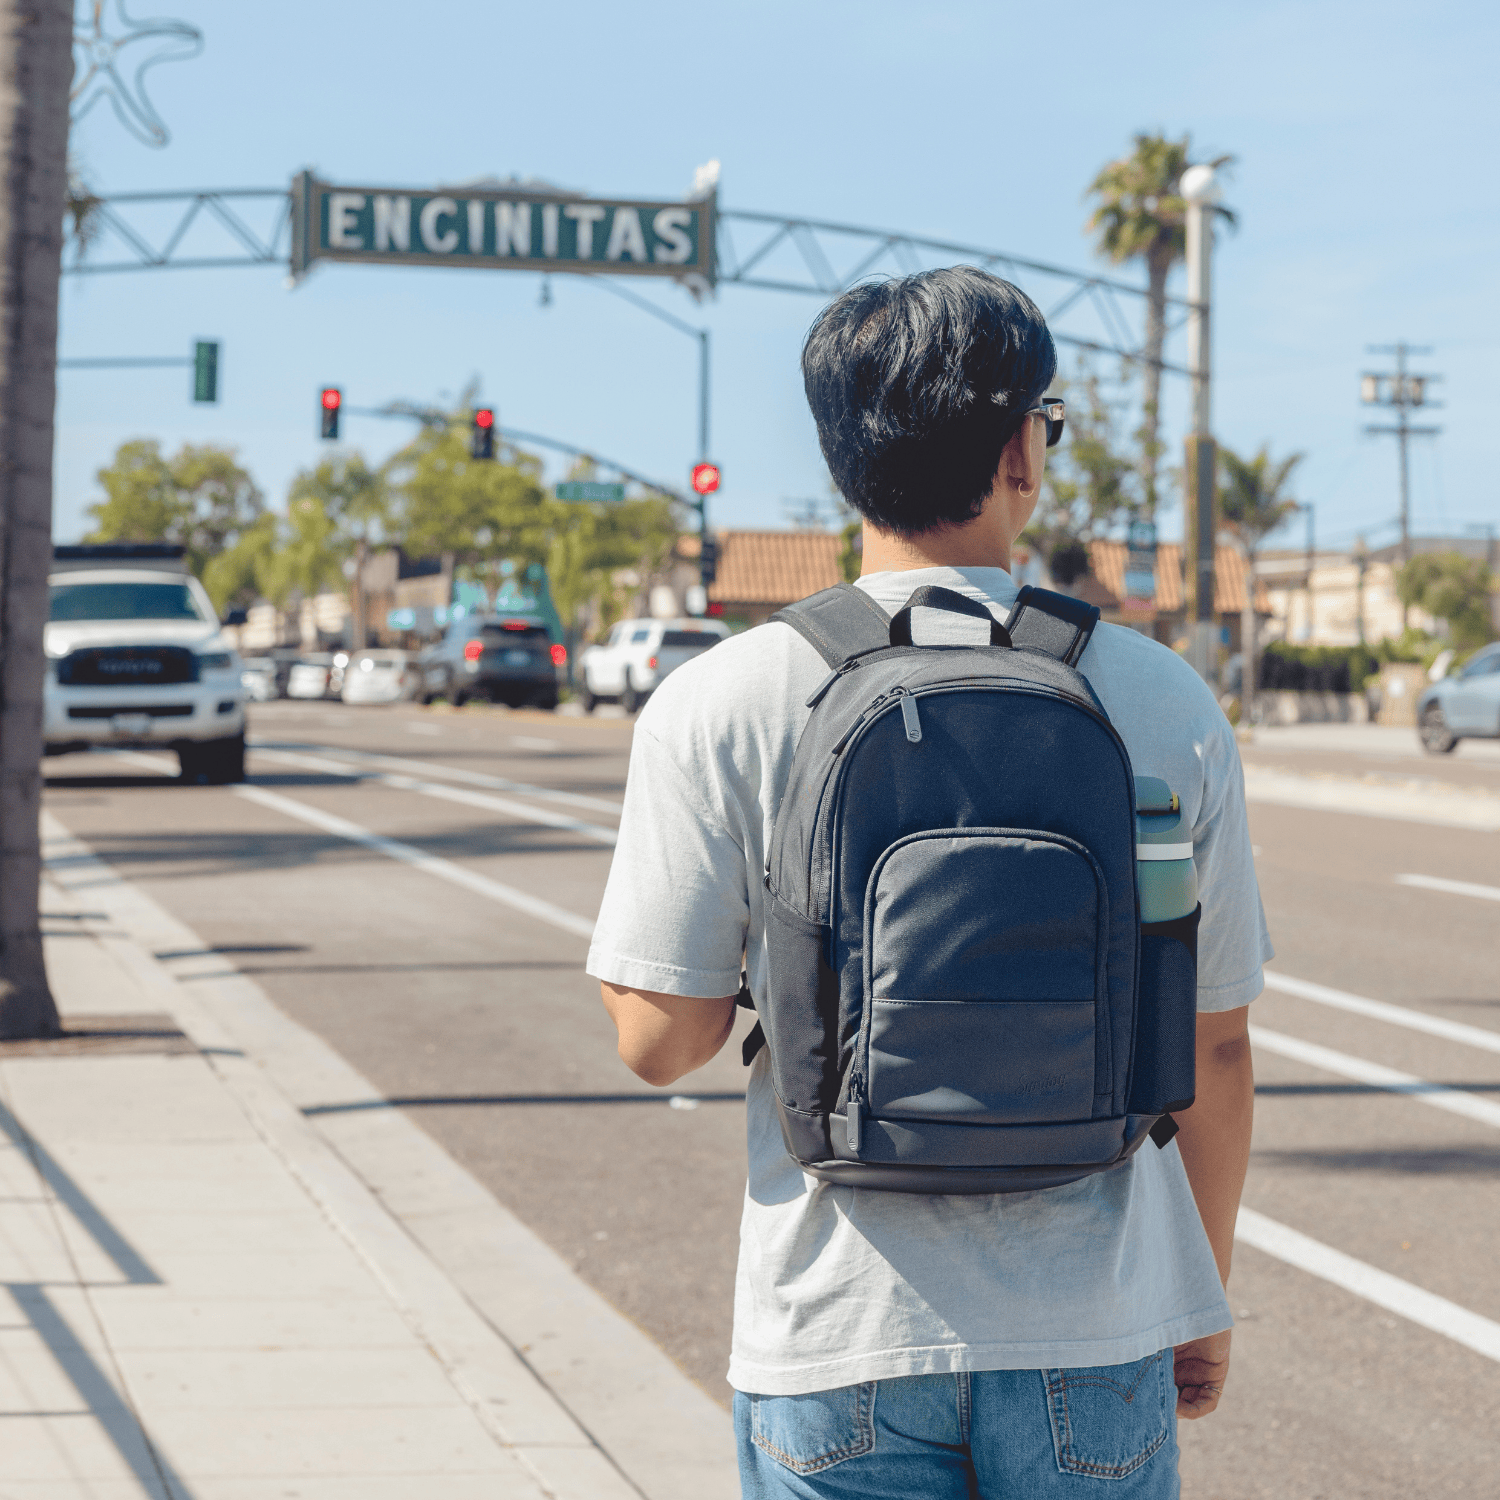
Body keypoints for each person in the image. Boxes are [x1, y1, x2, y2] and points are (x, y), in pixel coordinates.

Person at [588, 266, 1268, 1498]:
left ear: (843, 457)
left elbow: (660, 1039)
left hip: (837, 1332)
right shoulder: (1161, 699)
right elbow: (1214, 1047)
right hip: (1096, 1327)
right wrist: (1202, 1292)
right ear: (1022, 449)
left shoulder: (719, 702)